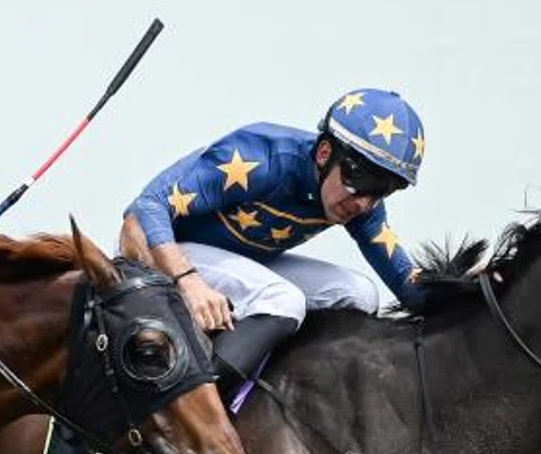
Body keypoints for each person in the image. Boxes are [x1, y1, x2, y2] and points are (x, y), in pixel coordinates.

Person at [120, 87, 435, 390]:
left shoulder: (363, 207)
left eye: (380, 192)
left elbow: (408, 286)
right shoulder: (262, 158)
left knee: (360, 295)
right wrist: (188, 279)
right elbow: (147, 207)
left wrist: (463, 292)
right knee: (284, 300)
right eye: (359, 185)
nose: (363, 204)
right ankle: (194, 401)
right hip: (166, 253)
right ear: (324, 153)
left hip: (240, 265)